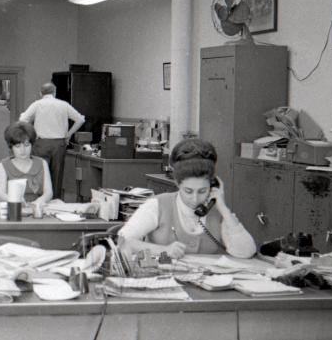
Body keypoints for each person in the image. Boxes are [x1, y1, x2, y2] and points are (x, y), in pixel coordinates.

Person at [117, 138, 256, 259]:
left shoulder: (217, 211)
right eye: (188, 191)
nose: (195, 199)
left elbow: (246, 252)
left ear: (213, 185)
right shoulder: (158, 205)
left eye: (202, 191)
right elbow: (123, 241)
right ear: (177, 183)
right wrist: (163, 250)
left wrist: (224, 210)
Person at [19, 82, 85, 199]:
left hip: (40, 143)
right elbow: (80, 119)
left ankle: (39, 200)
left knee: (40, 174)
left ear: (40, 93)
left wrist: (30, 134)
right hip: (59, 144)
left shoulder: (37, 104)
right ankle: (55, 202)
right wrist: (68, 134)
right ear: (55, 92)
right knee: (57, 176)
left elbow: (23, 120)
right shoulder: (63, 104)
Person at [0, 121, 53, 206]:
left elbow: (48, 193)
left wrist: (40, 201)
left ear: (32, 144)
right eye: (18, 146)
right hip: (13, 208)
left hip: (37, 207)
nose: (23, 151)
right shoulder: (3, 165)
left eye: (27, 145)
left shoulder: (42, 163)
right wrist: (16, 200)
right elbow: (1, 195)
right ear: (11, 147)